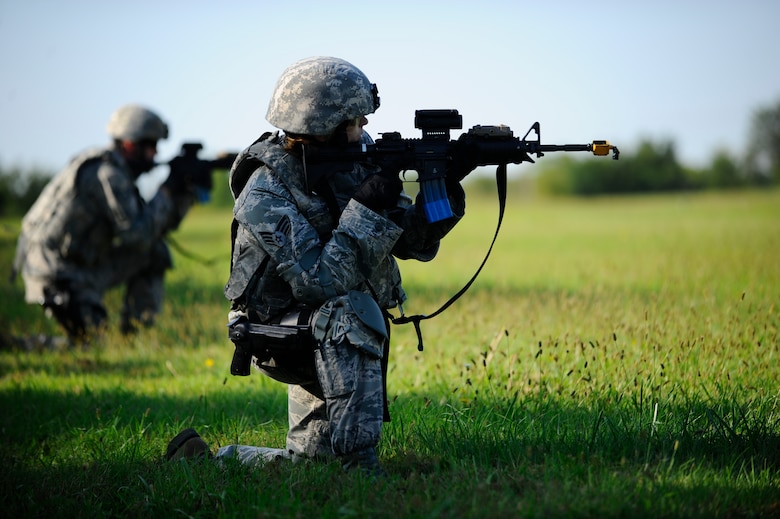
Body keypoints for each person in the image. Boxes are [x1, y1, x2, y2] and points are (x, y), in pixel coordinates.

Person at [166, 56, 470, 476]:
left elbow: (413, 243)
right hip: (277, 332)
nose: (364, 132)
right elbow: (320, 282)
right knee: (352, 311)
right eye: (356, 123)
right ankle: (361, 470)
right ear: (324, 125)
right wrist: (365, 207)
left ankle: (209, 461)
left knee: (312, 465)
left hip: (318, 326)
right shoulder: (264, 191)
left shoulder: (347, 168)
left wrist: (447, 186)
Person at [12, 104, 198, 344]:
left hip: (80, 265)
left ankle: (135, 336)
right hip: (55, 271)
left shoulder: (116, 173)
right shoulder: (107, 175)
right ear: (130, 143)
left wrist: (183, 195)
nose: (155, 154)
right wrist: (166, 191)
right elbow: (138, 234)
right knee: (91, 341)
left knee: (155, 252)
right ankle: (16, 345)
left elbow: (152, 233)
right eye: (150, 146)